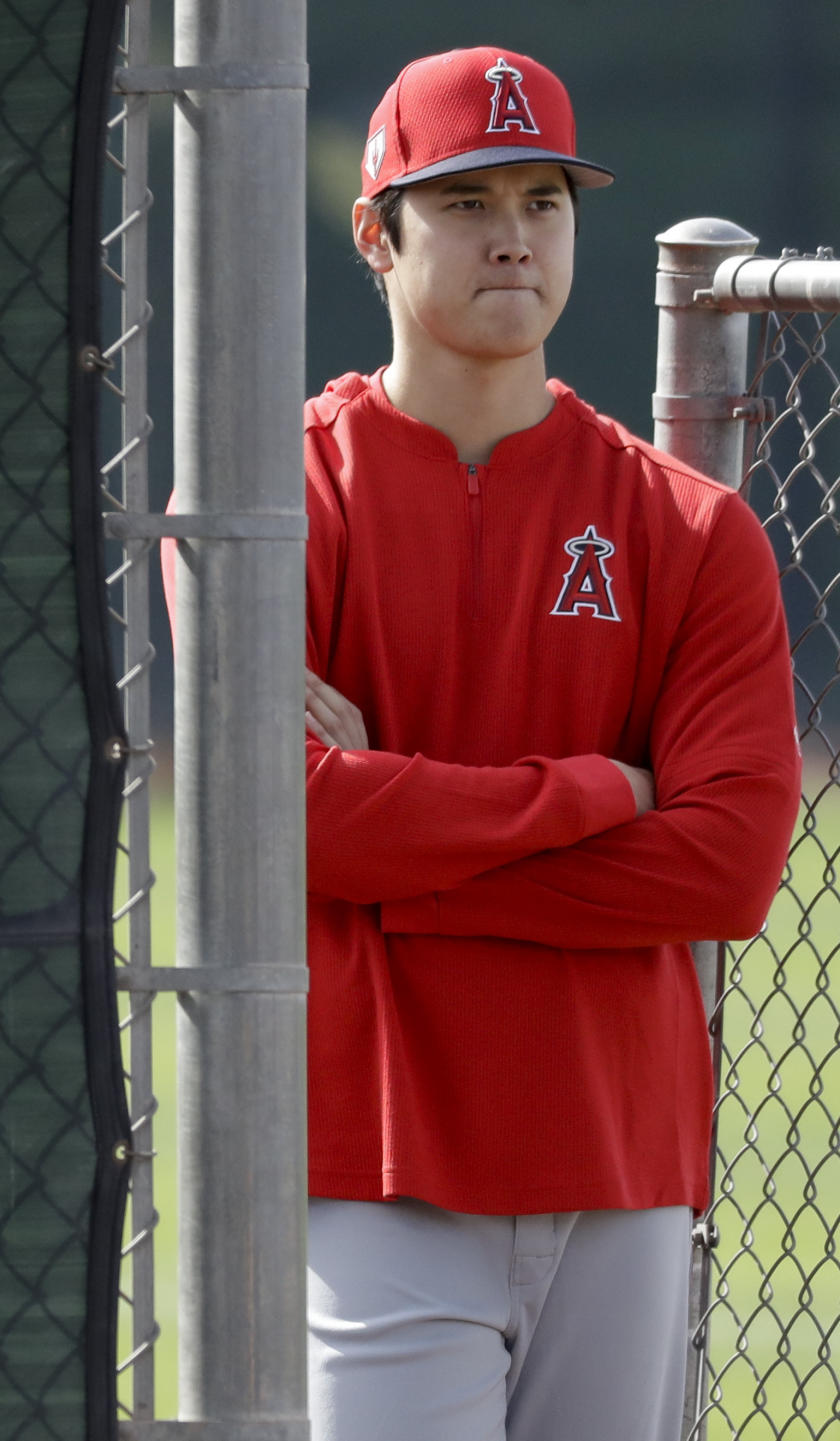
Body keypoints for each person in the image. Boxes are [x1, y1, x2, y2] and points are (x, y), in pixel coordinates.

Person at [302, 45, 801, 1441]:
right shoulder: (282, 501)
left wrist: (397, 868)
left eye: (543, 196)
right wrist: (597, 791)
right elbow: (282, 820)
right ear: (376, 232)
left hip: (620, 1163)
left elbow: (725, 866)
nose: (513, 232)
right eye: (464, 202)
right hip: (376, 1160)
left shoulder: (691, 531)